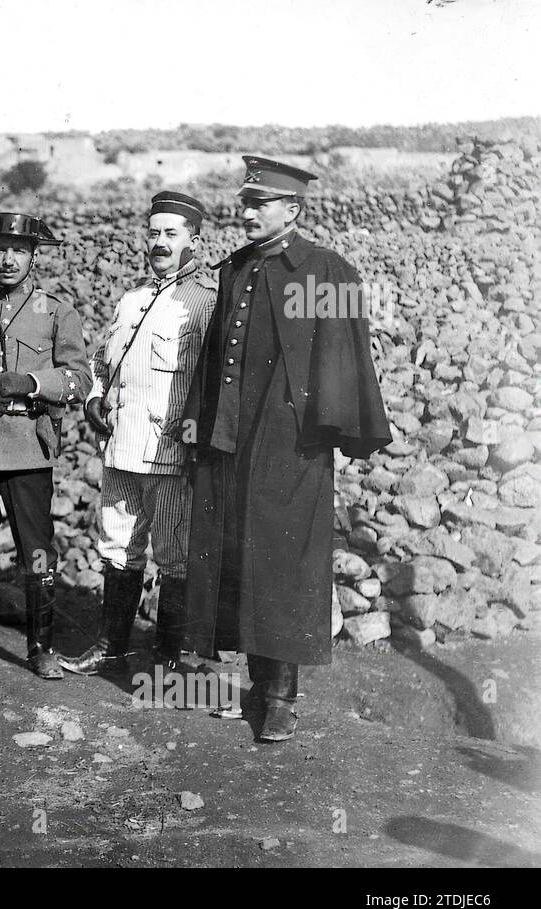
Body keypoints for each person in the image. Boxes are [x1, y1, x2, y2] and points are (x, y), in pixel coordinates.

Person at [177, 157, 391, 741]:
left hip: (291, 448)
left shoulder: (329, 273)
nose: (243, 213)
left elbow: (345, 361)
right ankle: (250, 678)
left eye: (257, 205)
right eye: (243, 203)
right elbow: (217, 356)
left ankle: (280, 695)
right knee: (236, 558)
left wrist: (322, 440)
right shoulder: (236, 269)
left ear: (292, 209)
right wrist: (201, 423)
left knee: (283, 562)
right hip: (228, 439)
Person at [58, 192, 216, 679]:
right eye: (154, 233)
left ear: (194, 240)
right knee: (117, 545)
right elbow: (105, 366)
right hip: (121, 446)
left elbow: (211, 386)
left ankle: (167, 661)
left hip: (170, 454)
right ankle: (110, 648)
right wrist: (92, 400)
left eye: (172, 234)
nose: (160, 243)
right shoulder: (130, 301)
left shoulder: (207, 305)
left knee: (173, 555)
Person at [0, 211, 90, 679]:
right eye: (0, 250)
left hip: (29, 445)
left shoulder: (57, 312)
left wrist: (30, 381)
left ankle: (41, 647)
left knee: (37, 548)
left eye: (19, 251)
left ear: (33, 257)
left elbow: (79, 380)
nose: (8, 259)